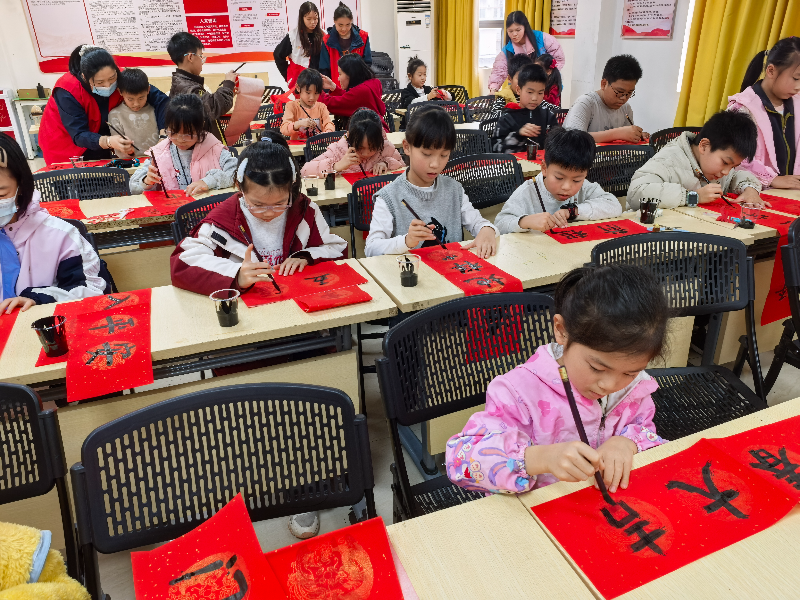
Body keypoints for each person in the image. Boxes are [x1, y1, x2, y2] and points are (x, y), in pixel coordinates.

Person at [446, 263, 670, 495]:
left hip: (600, 509)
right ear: (561, 330)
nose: (610, 385)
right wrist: (541, 458)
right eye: (597, 367)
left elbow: (645, 430)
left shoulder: (635, 388)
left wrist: (627, 443)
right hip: (538, 513)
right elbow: (460, 461)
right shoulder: (518, 391)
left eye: (629, 372)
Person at [170, 138, 346, 293]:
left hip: (296, 299)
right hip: (247, 310)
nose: (269, 212)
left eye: (280, 203)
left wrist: (306, 256)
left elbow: (337, 249)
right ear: (240, 189)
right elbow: (182, 264)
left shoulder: (305, 210)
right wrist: (237, 275)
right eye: (258, 205)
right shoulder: (224, 220)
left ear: (291, 188)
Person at [365, 105, 498, 258]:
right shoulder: (389, 197)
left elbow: (477, 223)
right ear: (407, 147)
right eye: (427, 154)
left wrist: (487, 229)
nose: (435, 164)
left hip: (450, 274)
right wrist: (406, 241)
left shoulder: (454, 190)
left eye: (444, 155)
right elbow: (371, 249)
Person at [0, 134, 108, 313]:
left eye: (1, 195)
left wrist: (38, 299)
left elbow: (95, 291)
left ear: (21, 186)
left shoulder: (61, 236)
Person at [38, 45, 168, 165]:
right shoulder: (67, 90)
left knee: (105, 179)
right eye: (100, 82)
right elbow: (78, 134)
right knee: (79, 183)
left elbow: (161, 100)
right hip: (66, 147)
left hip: (99, 141)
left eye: (112, 79)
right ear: (84, 77)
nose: (108, 85)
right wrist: (108, 141)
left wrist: (164, 133)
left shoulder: (121, 76)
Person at [627, 110, 767, 210]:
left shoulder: (714, 167)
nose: (726, 171)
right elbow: (636, 193)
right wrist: (691, 197)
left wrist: (750, 189)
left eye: (733, 166)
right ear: (704, 146)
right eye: (725, 163)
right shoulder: (669, 160)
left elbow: (736, 176)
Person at [495, 127, 622, 233]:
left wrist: (572, 211)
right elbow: (500, 224)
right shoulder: (527, 192)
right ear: (544, 168)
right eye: (559, 178)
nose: (567, 187)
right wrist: (525, 221)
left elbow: (614, 206)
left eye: (577, 180)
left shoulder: (585, 187)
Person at [728, 37, 800, 190]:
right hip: (757, 193)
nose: (798, 87)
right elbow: (733, 158)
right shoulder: (742, 108)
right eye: (796, 78)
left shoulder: (797, 103)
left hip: (792, 195)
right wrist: (772, 179)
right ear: (771, 70)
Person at [129, 94, 237, 196]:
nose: (180, 140)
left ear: (200, 126)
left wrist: (209, 181)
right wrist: (146, 181)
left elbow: (237, 174)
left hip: (207, 212)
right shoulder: (160, 153)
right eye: (173, 132)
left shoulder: (214, 149)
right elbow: (133, 186)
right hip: (172, 212)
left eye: (188, 134)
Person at [563, 54, 649, 143]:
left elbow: (625, 141)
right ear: (604, 84)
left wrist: (634, 135)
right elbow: (573, 140)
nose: (623, 98)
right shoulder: (586, 103)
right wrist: (617, 133)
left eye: (629, 93)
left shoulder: (626, 108)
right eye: (619, 92)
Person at [167, 32, 236, 142]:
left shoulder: (183, 83)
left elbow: (206, 104)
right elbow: (213, 108)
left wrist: (229, 91)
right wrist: (228, 84)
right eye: (200, 56)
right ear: (190, 57)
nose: (202, 62)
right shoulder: (188, 88)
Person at [300, 108, 404, 177]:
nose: (366, 153)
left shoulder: (385, 147)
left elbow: (403, 166)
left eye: (372, 148)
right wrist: (337, 166)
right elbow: (305, 170)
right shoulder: (339, 150)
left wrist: (386, 163)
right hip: (346, 206)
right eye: (360, 148)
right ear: (350, 138)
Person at [488, 11, 564, 94]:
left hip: (547, 88)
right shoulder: (507, 50)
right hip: (521, 92)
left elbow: (558, 59)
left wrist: (545, 76)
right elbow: (498, 71)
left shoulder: (542, 38)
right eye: (510, 31)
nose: (514, 34)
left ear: (525, 27)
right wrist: (493, 89)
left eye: (518, 30)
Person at [494, 64, 558, 154]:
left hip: (542, 166)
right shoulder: (507, 118)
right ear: (518, 90)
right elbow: (497, 150)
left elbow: (557, 146)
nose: (535, 98)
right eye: (530, 92)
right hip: (515, 167)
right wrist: (518, 135)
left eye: (540, 93)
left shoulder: (548, 116)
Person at [320, 54, 388, 130]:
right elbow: (351, 100)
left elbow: (332, 104)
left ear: (350, 74)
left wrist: (316, 91)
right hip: (377, 131)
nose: (338, 78)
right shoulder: (374, 83)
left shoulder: (361, 91)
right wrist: (333, 87)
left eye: (340, 74)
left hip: (371, 135)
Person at [108, 68, 160, 157]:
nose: (136, 104)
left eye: (141, 98)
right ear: (120, 92)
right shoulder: (115, 115)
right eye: (130, 99)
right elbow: (118, 144)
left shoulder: (155, 111)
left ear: (148, 90)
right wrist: (124, 147)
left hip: (155, 162)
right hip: (128, 163)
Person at [319, 2, 372, 88]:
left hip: (358, 88)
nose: (344, 29)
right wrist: (328, 91)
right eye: (340, 25)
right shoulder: (326, 41)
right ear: (334, 21)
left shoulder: (363, 37)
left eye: (348, 25)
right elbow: (324, 69)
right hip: (336, 88)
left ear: (352, 22)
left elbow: (367, 65)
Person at [273, 1, 325, 89]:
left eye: (315, 18)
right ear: (302, 18)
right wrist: (288, 76)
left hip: (318, 82)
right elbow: (278, 55)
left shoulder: (323, 35)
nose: (313, 22)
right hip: (299, 83)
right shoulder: (293, 36)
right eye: (309, 19)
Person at [279, 69, 334, 141]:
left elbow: (329, 124)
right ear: (298, 88)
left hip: (317, 147)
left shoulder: (321, 107)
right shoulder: (291, 106)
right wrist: (299, 124)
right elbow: (284, 129)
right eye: (308, 93)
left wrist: (327, 132)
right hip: (298, 149)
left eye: (316, 93)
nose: (312, 98)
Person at [490, 53, 535, 120]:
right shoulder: (503, 97)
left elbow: (550, 108)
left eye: (527, 79)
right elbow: (493, 117)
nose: (523, 83)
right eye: (519, 79)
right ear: (510, 79)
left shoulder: (533, 95)